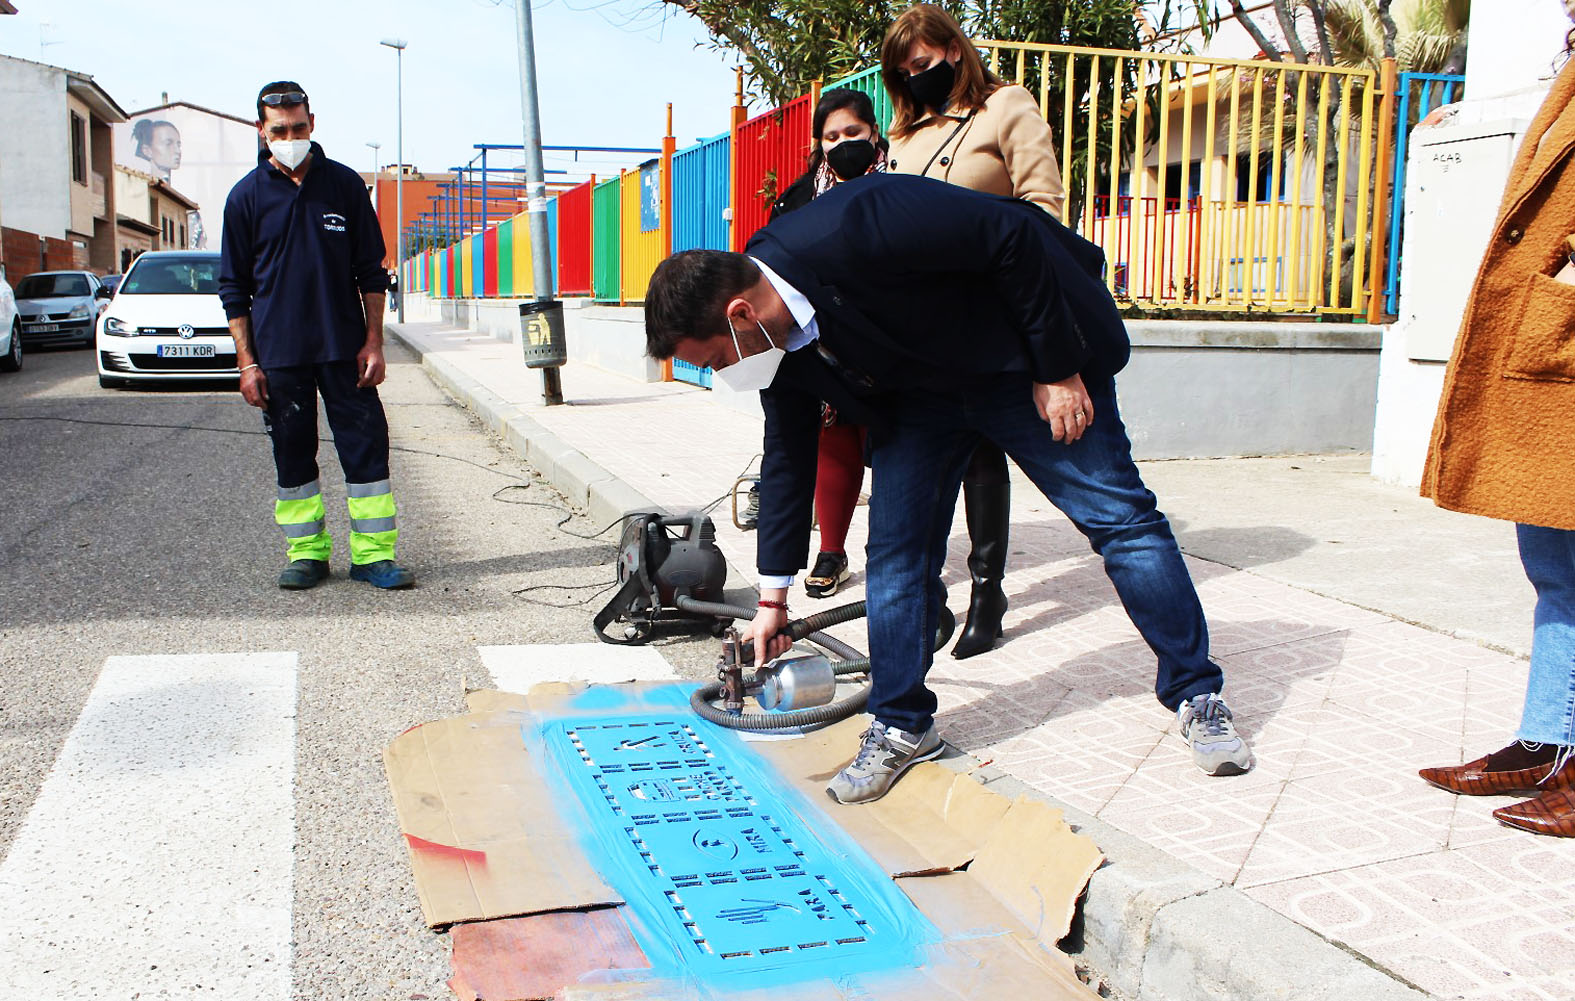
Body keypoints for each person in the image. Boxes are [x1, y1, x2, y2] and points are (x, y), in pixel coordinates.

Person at [643, 173, 1253, 804]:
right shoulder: (778, 347)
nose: (725, 373)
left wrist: (1058, 368)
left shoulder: (853, 220)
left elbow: (1012, 235)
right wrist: (773, 599)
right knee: (898, 555)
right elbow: (788, 456)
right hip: (920, 402)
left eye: (715, 359)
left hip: (1022, 366)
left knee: (1121, 522)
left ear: (739, 313)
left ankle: (1196, 694)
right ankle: (901, 724)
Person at [1417, 15, 1575, 837]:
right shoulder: (1565, 67)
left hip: (1563, 340)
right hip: (1548, 360)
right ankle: (1548, 737)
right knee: (1552, 561)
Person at [878, 3, 1069, 659]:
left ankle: (987, 591)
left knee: (993, 443)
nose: (915, 77)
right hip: (926, 317)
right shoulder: (902, 138)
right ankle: (929, 599)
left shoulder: (1005, 106)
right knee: (932, 453)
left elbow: (1043, 208)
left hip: (997, 303)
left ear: (953, 51)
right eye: (904, 72)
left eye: (923, 64)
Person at [219, 81, 415, 591]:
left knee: (367, 450)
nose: (290, 136)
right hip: (279, 355)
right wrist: (247, 363)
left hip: (344, 350)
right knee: (293, 453)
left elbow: (373, 274)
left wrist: (374, 342)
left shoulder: (345, 186)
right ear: (261, 130)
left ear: (312, 124)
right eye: (279, 129)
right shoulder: (244, 198)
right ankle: (307, 554)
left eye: (298, 127)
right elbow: (233, 289)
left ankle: (373, 557)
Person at [767, 88, 890, 600]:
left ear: (874, 134)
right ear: (818, 142)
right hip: (827, 343)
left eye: (852, 134)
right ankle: (831, 552)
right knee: (832, 440)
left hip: (893, 339)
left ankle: (892, 554)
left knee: (896, 448)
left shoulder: (901, 183)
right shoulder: (795, 200)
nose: (842, 144)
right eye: (831, 136)